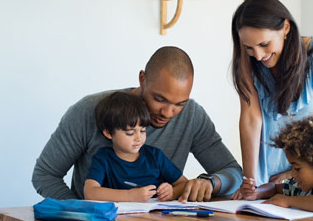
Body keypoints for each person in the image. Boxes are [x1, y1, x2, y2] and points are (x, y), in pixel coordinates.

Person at [32, 46, 242, 201]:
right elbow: (45, 175)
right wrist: (80, 212)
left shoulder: (192, 115)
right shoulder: (89, 111)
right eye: (159, 99)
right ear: (142, 79)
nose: (168, 113)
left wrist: (210, 182)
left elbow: (233, 172)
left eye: (179, 104)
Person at [229, 0, 313, 198]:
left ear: (285, 28)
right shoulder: (248, 64)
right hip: (268, 182)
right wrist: (249, 182)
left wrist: (294, 172)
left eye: (264, 45)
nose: (258, 55)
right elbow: (251, 120)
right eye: (249, 48)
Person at [237, 114, 313, 213]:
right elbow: (274, 188)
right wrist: (256, 192)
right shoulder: (300, 186)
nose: (292, 174)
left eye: (297, 168)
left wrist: (288, 201)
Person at [84, 92, 188, 202]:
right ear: (108, 133)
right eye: (130, 133)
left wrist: (172, 192)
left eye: (143, 131)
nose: (139, 138)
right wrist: (130, 196)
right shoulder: (103, 158)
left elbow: (184, 184)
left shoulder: (155, 156)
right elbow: (90, 192)